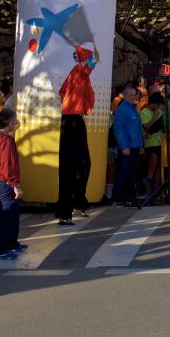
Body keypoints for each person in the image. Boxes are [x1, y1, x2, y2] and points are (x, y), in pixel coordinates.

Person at [58, 45, 97, 224]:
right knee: (71, 166)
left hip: (73, 119)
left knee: (82, 164)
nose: (92, 61)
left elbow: (62, 92)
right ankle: (66, 212)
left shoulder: (78, 73)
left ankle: (76, 203)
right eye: (89, 58)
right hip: (72, 120)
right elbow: (90, 65)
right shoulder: (80, 71)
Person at [0, 109, 26, 261]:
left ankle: (11, 243)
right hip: (3, 180)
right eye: (15, 120)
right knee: (5, 213)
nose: (16, 123)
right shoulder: (5, 140)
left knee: (12, 211)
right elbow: (8, 164)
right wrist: (15, 184)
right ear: (10, 123)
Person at [112, 85, 143, 206]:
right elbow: (118, 129)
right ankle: (117, 197)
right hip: (126, 148)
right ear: (124, 96)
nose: (133, 97)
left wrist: (140, 145)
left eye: (134, 94)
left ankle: (131, 197)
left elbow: (137, 128)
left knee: (133, 174)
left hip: (135, 147)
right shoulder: (121, 110)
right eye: (130, 95)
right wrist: (123, 146)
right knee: (122, 173)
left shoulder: (133, 108)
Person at [139, 92, 165, 196]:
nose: (159, 107)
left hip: (161, 142)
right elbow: (147, 128)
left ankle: (156, 190)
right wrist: (154, 117)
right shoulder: (144, 112)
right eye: (158, 105)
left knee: (159, 166)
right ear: (153, 103)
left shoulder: (159, 111)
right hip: (150, 144)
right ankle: (148, 191)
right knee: (151, 167)